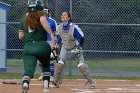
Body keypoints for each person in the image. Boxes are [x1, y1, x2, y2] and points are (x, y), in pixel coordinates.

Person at [18, 0, 56, 93]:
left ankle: (26, 82)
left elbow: (21, 37)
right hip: (42, 45)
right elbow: (42, 20)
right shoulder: (41, 16)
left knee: (29, 69)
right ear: (39, 7)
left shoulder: (24, 19)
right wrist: (52, 35)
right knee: (46, 66)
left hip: (29, 46)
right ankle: (46, 88)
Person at [52, 11, 95, 88]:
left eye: (65, 15)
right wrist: (56, 45)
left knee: (81, 66)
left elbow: (81, 38)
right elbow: (59, 37)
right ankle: (57, 81)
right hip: (65, 47)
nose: (62, 16)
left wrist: (79, 48)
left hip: (75, 47)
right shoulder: (59, 27)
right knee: (60, 64)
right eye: (62, 15)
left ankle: (91, 82)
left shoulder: (73, 27)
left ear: (68, 18)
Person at [38, 7, 58, 82]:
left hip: (50, 42)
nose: (44, 14)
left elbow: (56, 33)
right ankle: (43, 73)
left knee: (51, 58)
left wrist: (55, 43)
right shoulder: (39, 21)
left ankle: (51, 75)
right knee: (40, 59)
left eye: (45, 13)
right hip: (42, 41)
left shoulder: (52, 21)